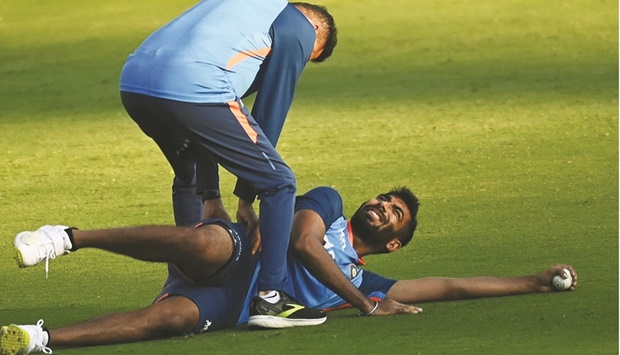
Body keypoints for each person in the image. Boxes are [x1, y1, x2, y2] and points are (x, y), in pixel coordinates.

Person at [3, 187, 578, 354]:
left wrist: (531, 280)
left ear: (395, 243)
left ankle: (37, 340)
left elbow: (449, 286)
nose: (380, 206)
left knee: (174, 319)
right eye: (382, 200)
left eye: (393, 213)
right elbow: (302, 245)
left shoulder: (365, 278)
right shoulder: (326, 204)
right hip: (236, 255)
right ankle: (68, 238)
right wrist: (360, 304)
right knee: (209, 243)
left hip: (234, 303)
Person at [118, 0, 338, 327]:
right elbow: (271, 106)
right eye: (308, 57)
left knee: (190, 177)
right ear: (317, 31)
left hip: (135, 83)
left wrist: (211, 195)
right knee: (279, 182)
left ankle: (183, 288)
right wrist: (246, 197)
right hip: (192, 84)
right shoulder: (301, 27)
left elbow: (202, 124)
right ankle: (272, 297)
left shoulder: (244, 9)